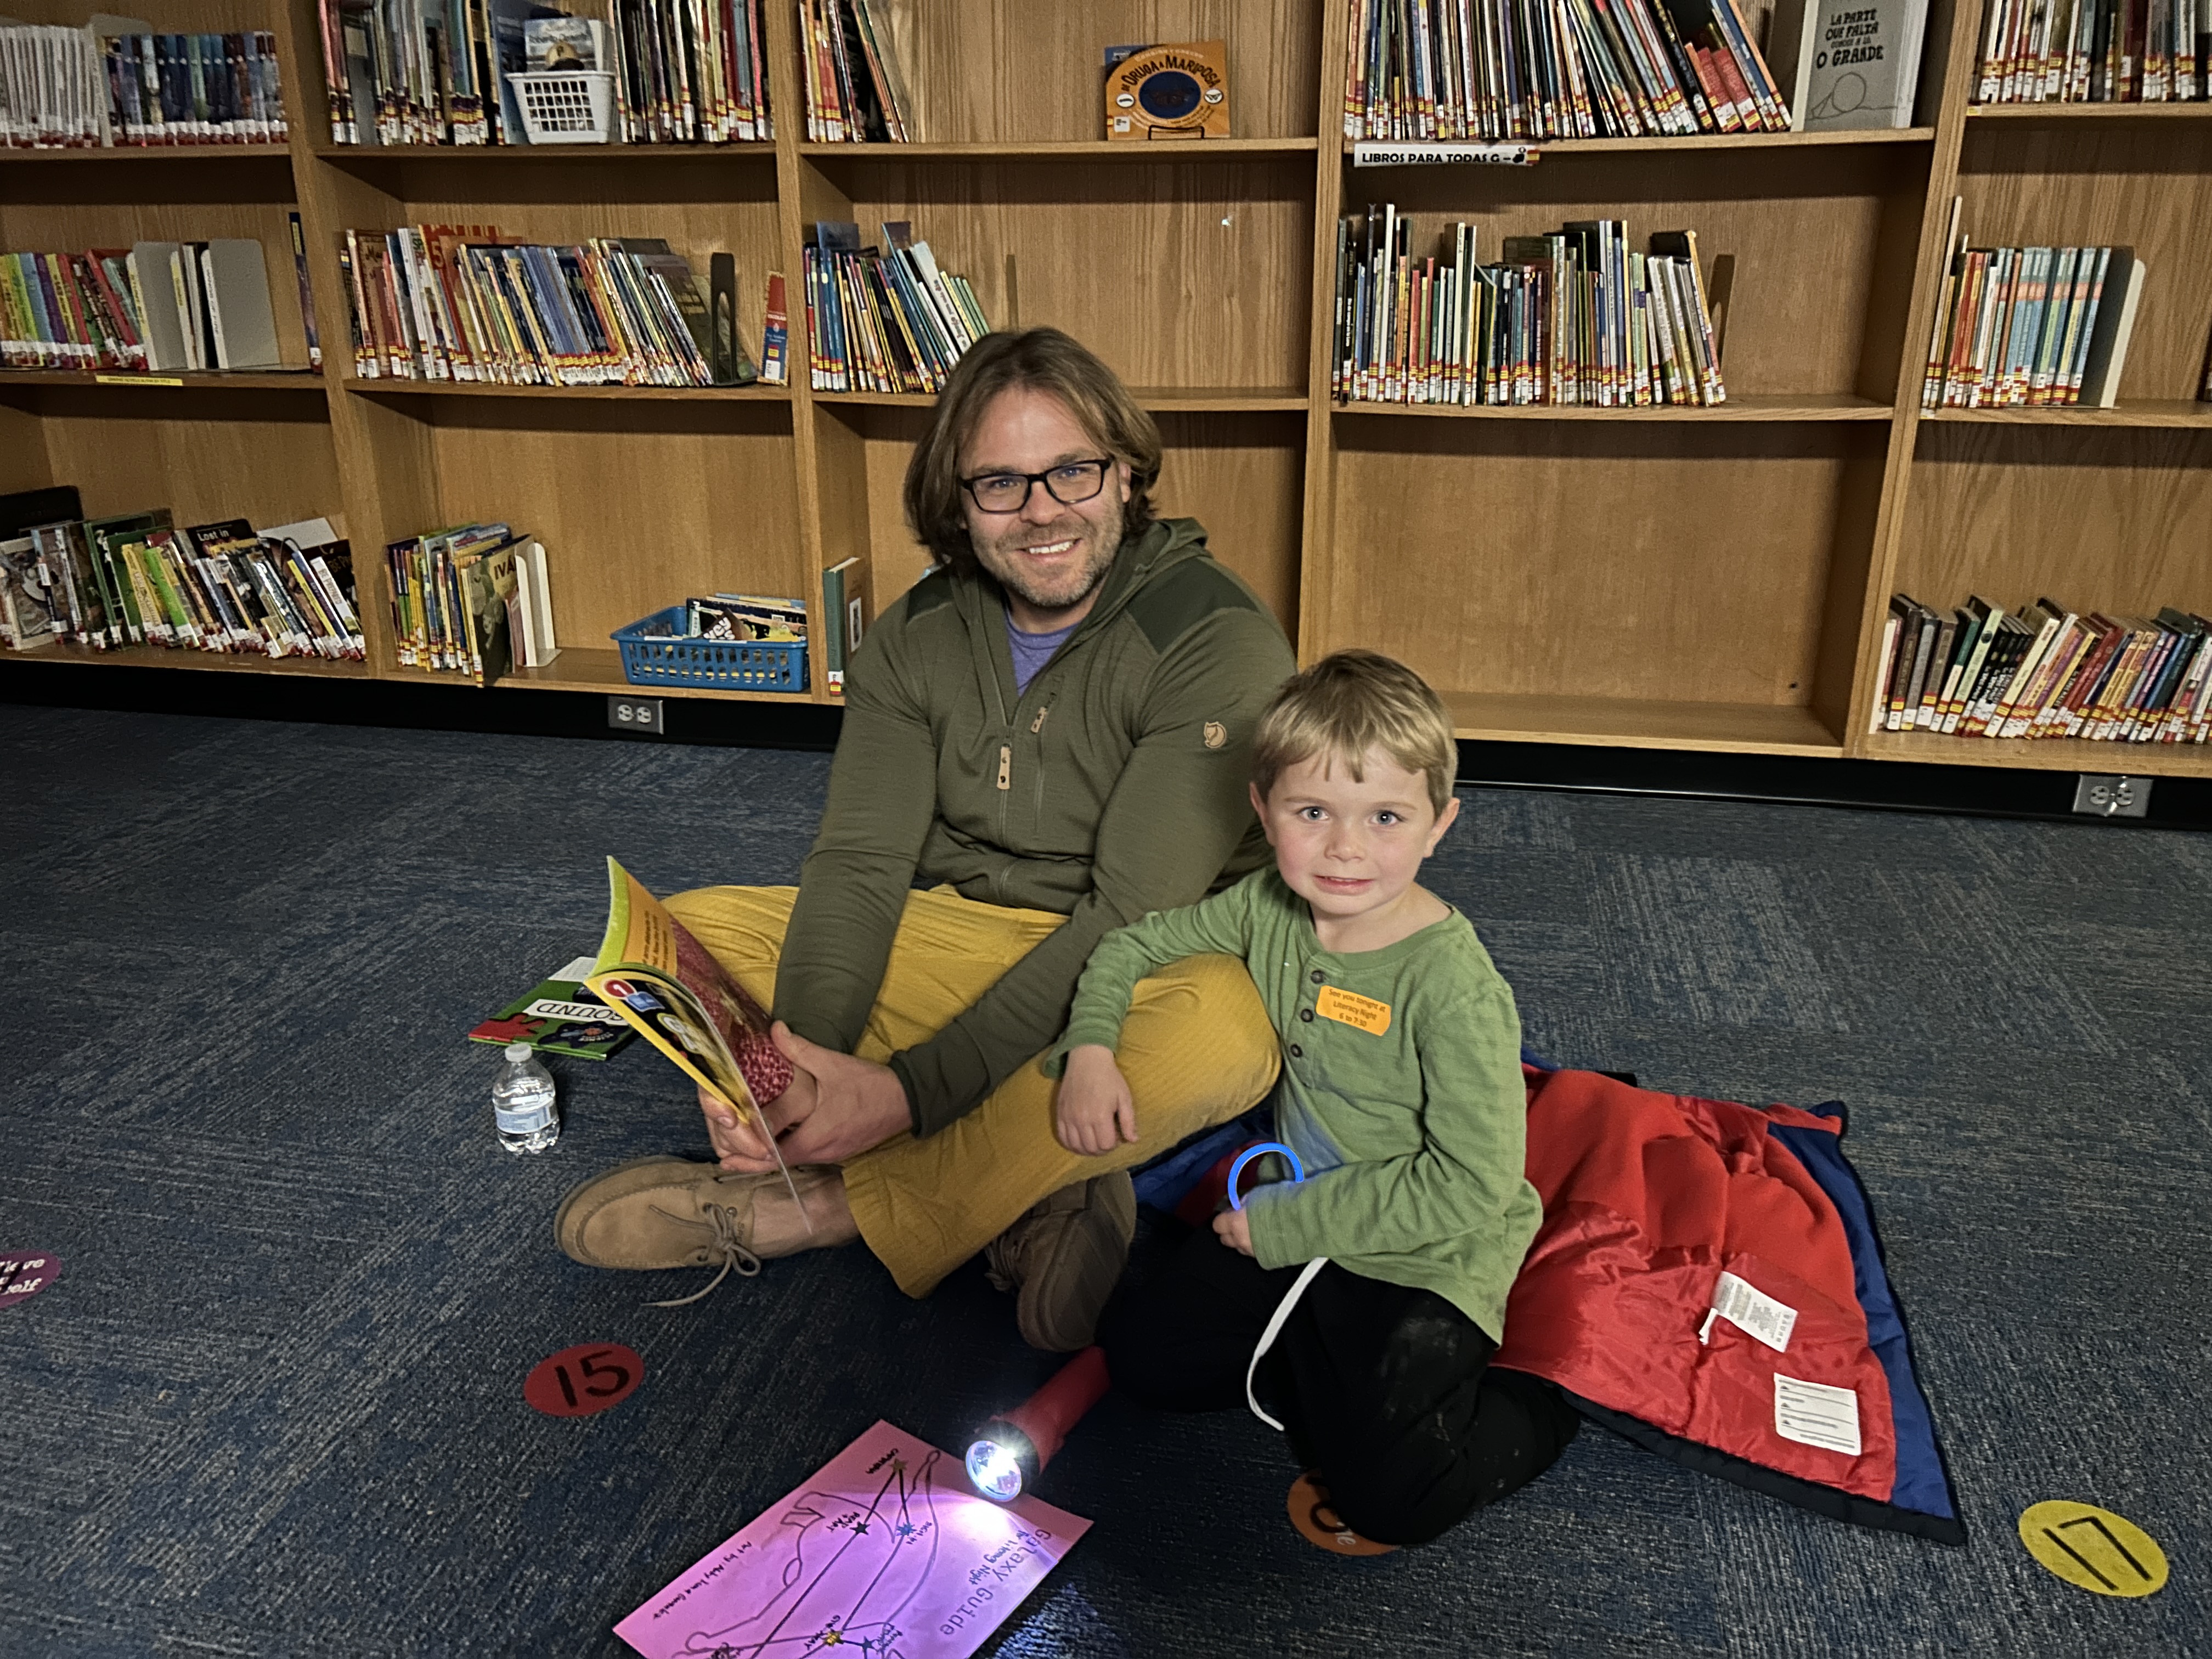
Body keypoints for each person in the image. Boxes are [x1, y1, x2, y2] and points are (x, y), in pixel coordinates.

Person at [555, 328, 1298, 1350]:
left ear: (1126, 475)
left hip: (1148, 960)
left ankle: (822, 1207)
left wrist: (903, 1097)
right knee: (685, 933)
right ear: (957, 501)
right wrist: (794, 1067)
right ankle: (1031, 1192)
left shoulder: (1219, 641)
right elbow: (861, 864)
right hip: (958, 933)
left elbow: (1130, 916)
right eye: (1000, 483)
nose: (1042, 511)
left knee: (1227, 1031)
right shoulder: (913, 634)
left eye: (1072, 471)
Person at [1054, 650, 1580, 1549]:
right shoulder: (1266, 904)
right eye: (1312, 813)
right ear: (1263, 811)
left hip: (1424, 1250)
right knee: (1142, 1357)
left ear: (1438, 825)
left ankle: (1542, 1403)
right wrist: (1092, 1048)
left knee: (1394, 1502)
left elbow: (1472, 1187)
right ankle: (1327, 1372)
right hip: (1293, 1219)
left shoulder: (1456, 989)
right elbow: (1134, 947)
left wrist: (1288, 1225)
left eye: (1385, 817)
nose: (1345, 849)